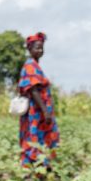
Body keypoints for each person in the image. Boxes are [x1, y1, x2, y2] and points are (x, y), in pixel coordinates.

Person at [18, 32, 59, 173]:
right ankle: (34, 168)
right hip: (35, 112)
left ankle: (41, 167)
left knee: (38, 138)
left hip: (39, 111)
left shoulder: (34, 65)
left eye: (42, 48)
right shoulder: (30, 65)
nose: (40, 50)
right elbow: (34, 90)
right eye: (37, 48)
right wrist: (45, 111)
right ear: (29, 49)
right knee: (34, 138)